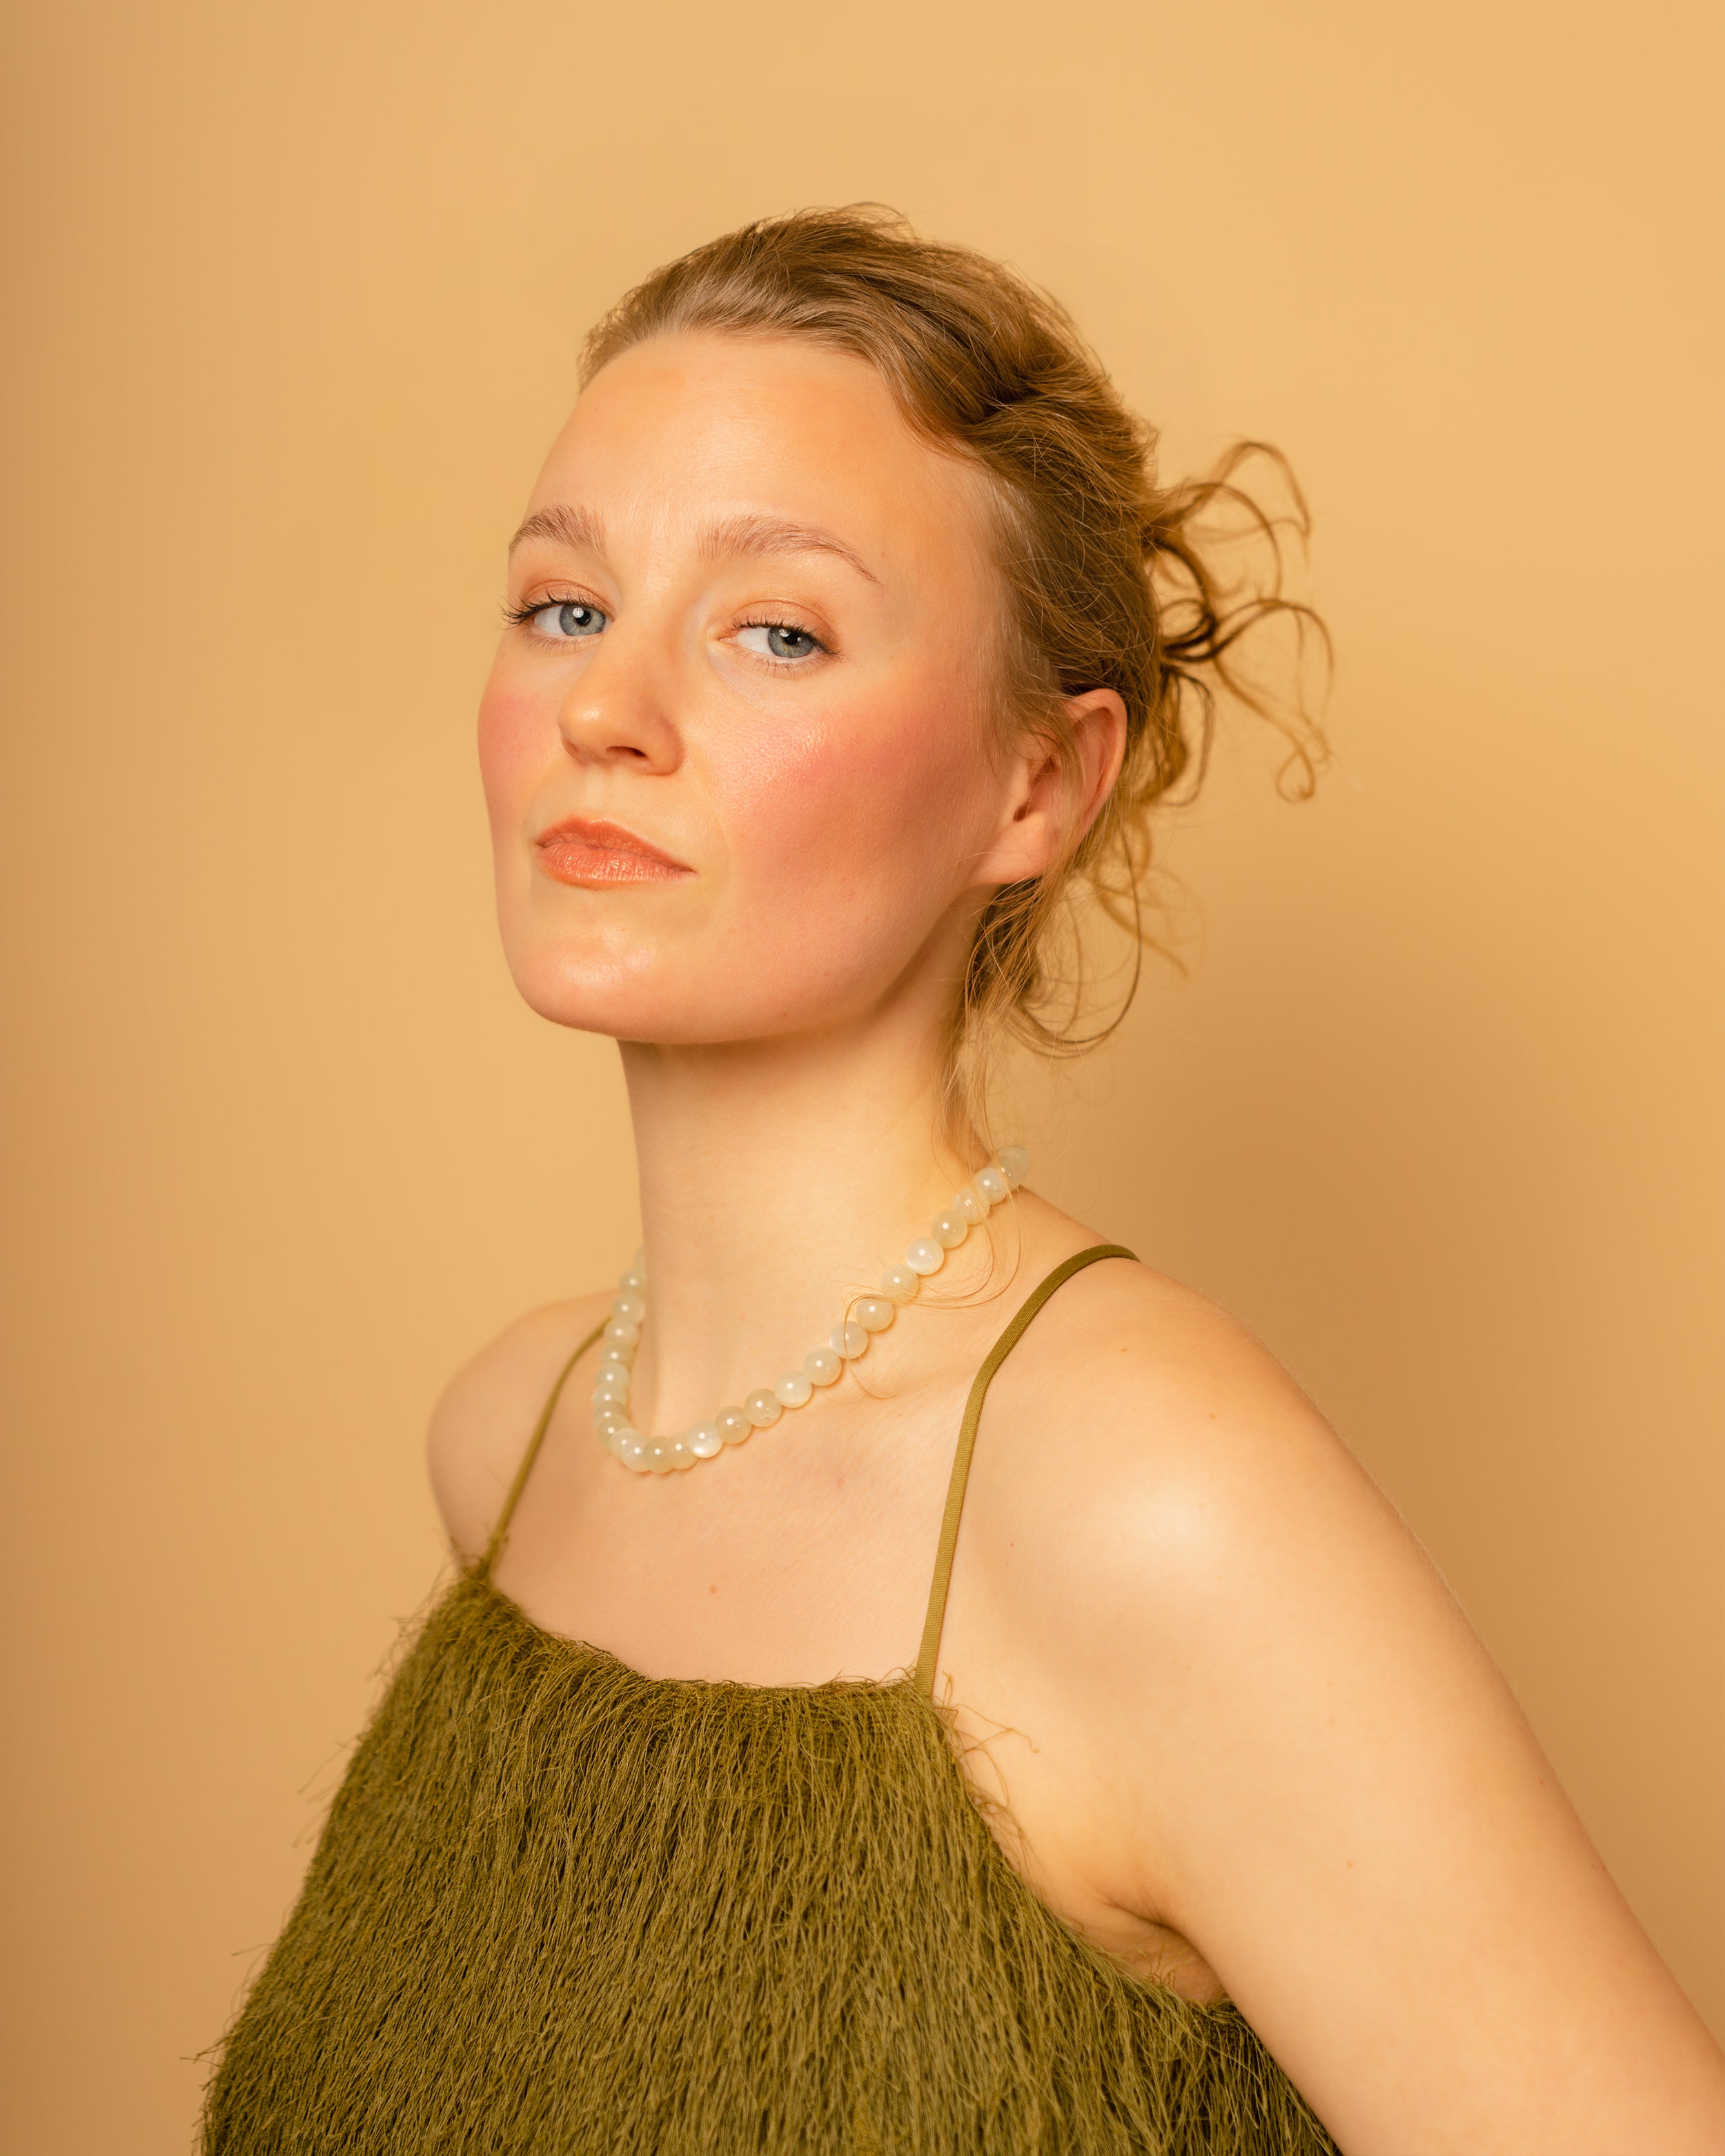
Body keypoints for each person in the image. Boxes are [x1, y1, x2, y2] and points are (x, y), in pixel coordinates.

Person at [200, 208, 1725, 2153]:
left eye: (776, 630)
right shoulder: (507, 1441)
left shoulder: (1148, 1504)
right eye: (564, 607)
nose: (605, 711)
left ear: (1033, 788)